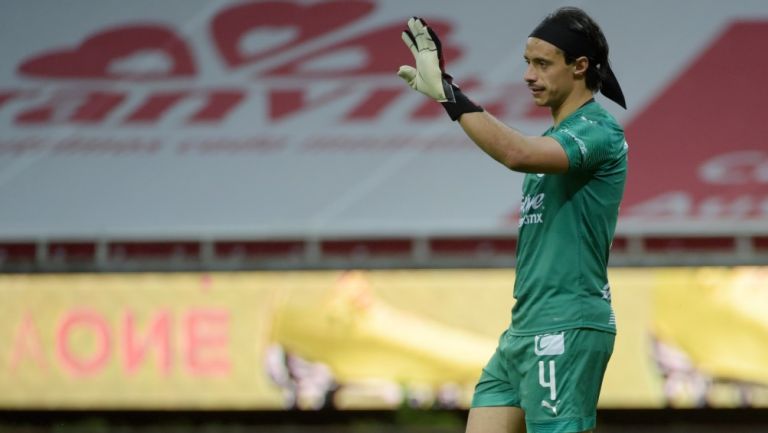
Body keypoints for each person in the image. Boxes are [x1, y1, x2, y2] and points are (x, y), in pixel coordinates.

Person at [397, 7, 628, 433]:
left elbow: (515, 154)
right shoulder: (554, 139)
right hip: (523, 330)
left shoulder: (600, 131)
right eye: (527, 62)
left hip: (568, 326)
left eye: (542, 63)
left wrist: (449, 94)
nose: (528, 74)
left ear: (579, 67)